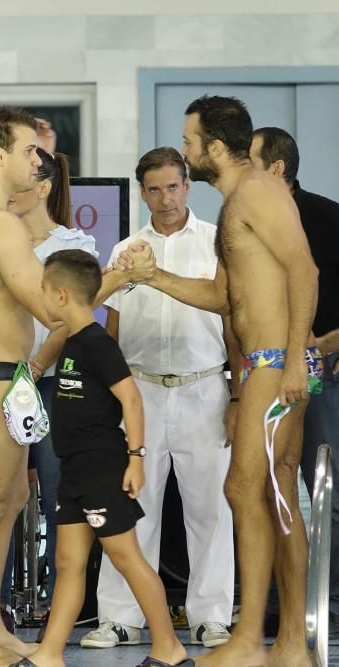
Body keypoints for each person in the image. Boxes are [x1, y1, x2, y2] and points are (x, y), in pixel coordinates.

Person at [0, 106, 153, 666]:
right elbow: (55, 309)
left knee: (7, 502)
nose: (40, 160)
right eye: (30, 150)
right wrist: (122, 276)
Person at [133, 96, 319, 667]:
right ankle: (289, 645)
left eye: (190, 142)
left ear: (215, 146)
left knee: (244, 490)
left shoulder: (259, 190)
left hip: (273, 361)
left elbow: (304, 270)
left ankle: (248, 641)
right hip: (266, 361)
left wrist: (291, 363)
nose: (186, 152)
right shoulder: (237, 203)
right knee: (274, 495)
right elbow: (222, 297)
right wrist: (152, 276)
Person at [81, 147, 236, 651]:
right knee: (131, 503)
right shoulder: (126, 248)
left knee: (211, 507)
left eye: (173, 186)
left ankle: (210, 615)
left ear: (188, 186)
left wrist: (236, 394)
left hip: (205, 385)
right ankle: (121, 616)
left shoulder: (217, 242)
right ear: (142, 192)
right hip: (141, 388)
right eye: (155, 189)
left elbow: (232, 319)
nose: (165, 198)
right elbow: (109, 322)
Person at [11, 249, 190, 667]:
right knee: (68, 562)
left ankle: (169, 647)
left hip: (102, 468)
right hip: (74, 469)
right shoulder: (70, 342)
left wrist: (137, 458)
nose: (39, 297)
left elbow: (131, 399)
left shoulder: (97, 343)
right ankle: (50, 653)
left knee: (127, 557)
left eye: (42, 289)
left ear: (59, 296)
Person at [250, 126, 339, 627]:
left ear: (277, 168)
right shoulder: (251, 221)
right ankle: (272, 602)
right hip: (264, 369)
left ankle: (328, 602)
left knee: (324, 483)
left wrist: (329, 344)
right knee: (266, 484)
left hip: (320, 368)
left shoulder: (326, 217)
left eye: (252, 160)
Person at [4, 148, 96, 605]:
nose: (10, 195)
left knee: (60, 496)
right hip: (2, 380)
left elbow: (70, 319)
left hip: (53, 384)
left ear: (43, 188)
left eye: (21, 186)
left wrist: (37, 365)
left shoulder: (74, 247)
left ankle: (63, 603)